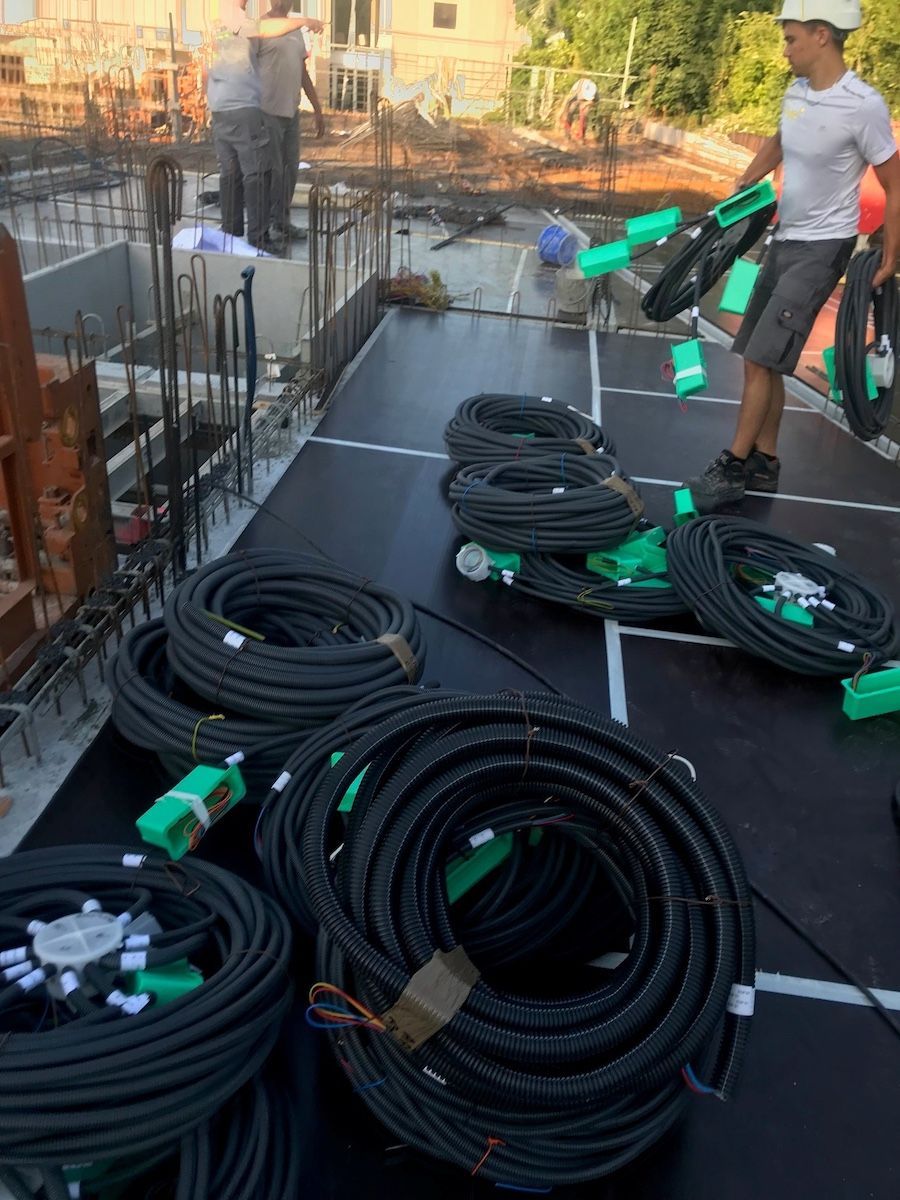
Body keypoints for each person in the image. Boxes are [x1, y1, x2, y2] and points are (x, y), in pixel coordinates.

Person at [683, 0, 899, 512]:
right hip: (784, 237)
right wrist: (743, 182)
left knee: (760, 358)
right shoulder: (797, 92)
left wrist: (891, 253)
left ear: (822, 35)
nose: (785, 49)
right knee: (763, 358)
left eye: (791, 38)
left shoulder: (862, 104)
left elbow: (893, 181)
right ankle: (765, 461)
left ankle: (732, 465)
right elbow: (780, 142)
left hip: (823, 248)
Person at [205, 0, 323, 252]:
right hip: (248, 108)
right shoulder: (236, 17)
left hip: (227, 106)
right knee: (257, 174)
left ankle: (233, 234)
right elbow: (262, 29)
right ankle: (258, 238)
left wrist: (316, 107)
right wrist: (305, 21)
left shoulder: (229, 20)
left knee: (235, 173)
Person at [258, 0, 325, 246]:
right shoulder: (261, 26)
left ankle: (281, 221)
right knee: (270, 173)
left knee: (289, 171)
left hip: (291, 112)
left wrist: (317, 108)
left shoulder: (294, 30)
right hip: (268, 111)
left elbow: (302, 71)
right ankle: (263, 228)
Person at [562, 77, 598, 142]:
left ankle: (581, 136)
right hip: (576, 98)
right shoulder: (576, 88)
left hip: (587, 102)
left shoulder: (594, 89)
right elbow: (568, 100)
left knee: (584, 116)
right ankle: (567, 135)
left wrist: (586, 103)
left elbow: (595, 101)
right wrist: (565, 111)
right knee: (570, 112)